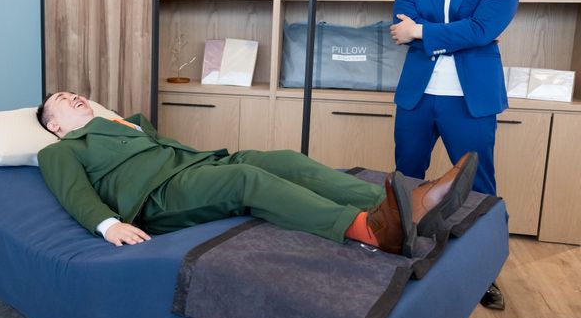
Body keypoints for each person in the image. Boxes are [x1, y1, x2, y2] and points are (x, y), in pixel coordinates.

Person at [36, 92, 477, 256]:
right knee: (246, 179)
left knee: (284, 160)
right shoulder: (60, 150)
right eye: (61, 100)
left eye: (75, 93)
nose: (74, 97)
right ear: (54, 126)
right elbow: (74, 194)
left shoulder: (122, 123)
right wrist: (109, 226)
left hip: (196, 166)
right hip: (160, 196)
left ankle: (402, 205)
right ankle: (371, 230)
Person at [389, 0, 522, 310]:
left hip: (469, 98)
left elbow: (484, 29)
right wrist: (462, 34)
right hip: (418, 95)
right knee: (406, 179)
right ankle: (400, 260)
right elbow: (401, 29)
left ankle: (483, 274)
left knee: (476, 187)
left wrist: (424, 31)